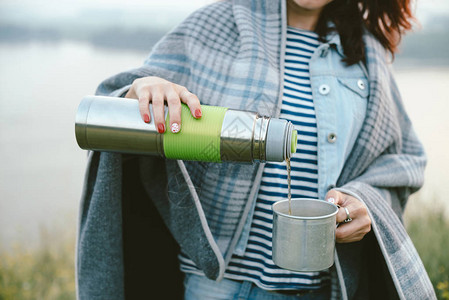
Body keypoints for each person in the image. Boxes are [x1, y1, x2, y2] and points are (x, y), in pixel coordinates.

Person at [76, 0, 436, 299]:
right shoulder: (216, 23)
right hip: (212, 287)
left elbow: (403, 159)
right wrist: (144, 89)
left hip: (317, 290)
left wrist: (364, 201)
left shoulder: (365, 53)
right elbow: (116, 99)